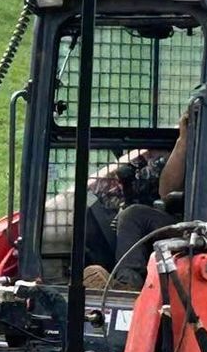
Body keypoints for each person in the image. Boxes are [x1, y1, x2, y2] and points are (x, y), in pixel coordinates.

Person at [80, 104, 191, 287]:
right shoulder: (198, 140)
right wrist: (184, 140)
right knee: (134, 215)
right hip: (191, 225)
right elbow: (167, 191)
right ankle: (127, 286)